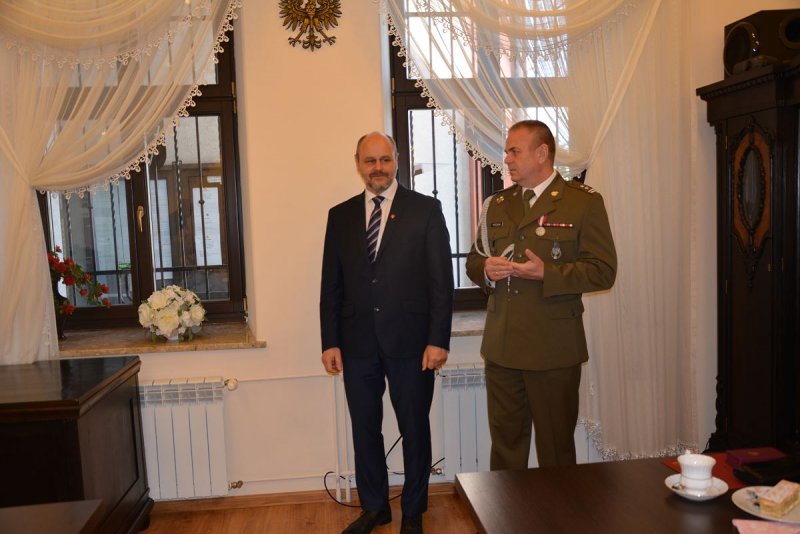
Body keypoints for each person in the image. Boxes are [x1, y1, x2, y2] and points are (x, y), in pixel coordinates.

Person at [320, 132, 454, 534]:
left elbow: (441, 282)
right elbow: (331, 285)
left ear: (396, 160)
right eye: (369, 161)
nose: (377, 168)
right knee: (365, 429)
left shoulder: (425, 210)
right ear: (358, 163)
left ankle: (413, 512)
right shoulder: (340, 215)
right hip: (357, 343)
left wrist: (438, 339)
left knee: (414, 429)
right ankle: (375, 507)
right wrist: (330, 341)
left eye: (384, 160)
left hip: (412, 343)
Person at [466, 120, 617, 470]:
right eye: (506, 151)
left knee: (556, 450)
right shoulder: (497, 204)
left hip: (554, 349)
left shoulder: (582, 202)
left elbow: (603, 271)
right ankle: (506, 508)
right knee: (505, 449)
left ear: (541, 153)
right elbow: (474, 259)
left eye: (514, 151)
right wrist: (486, 269)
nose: (506, 159)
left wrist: (547, 274)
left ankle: (559, 509)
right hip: (503, 347)